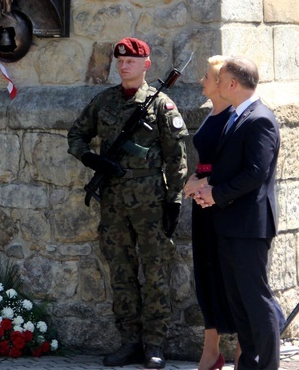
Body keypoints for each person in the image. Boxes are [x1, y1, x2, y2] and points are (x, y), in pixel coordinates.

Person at [68, 37, 188, 369]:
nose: (124, 66)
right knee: (120, 272)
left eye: (131, 61)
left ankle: (154, 344)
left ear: (146, 65)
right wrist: (93, 160)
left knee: (155, 272)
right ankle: (129, 341)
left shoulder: (161, 105)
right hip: (114, 202)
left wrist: (174, 200)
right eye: (120, 61)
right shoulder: (103, 101)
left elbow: (176, 159)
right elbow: (75, 135)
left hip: (150, 203)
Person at [193, 56, 281, 370]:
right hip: (228, 225)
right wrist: (207, 188)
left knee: (256, 302)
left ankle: (266, 366)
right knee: (240, 304)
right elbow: (230, 167)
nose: (214, 84)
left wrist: (215, 193)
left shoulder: (260, 118)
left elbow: (255, 173)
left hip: (248, 227)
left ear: (231, 84)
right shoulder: (237, 117)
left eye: (219, 79)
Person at [183, 56, 236, 370]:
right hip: (201, 203)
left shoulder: (234, 117)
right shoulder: (211, 114)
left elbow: (229, 165)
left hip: (222, 203)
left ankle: (242, 349)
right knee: (205, 273)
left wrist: (203, 181)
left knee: (229, 275)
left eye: (207, 76)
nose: (201, 81)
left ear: (221, 83)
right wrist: (192, 180)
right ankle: (211, 350)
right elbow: (204, 160)